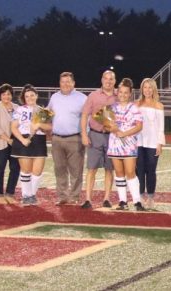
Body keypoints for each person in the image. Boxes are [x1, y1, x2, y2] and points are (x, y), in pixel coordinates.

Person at [49, 72, 88, 208]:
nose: (65, 84)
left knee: (76, 170)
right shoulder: (54, 97)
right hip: (57, 138)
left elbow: (87, 118)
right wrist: (36, 124)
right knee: (59, 169)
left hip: (75, 138)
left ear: (73, 83)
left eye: (68, 81)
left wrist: (86, 135)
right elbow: (47, 114)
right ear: (59, 83)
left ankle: (74, 196)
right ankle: (62, 196)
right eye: (63, 82)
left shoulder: (82, 98)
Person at [10, 84, 52, 206]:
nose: (30, 98)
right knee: (26, 170)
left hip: (39, 140)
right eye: (27, 96)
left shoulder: (43, 111)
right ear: (24, 97)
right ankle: (26, 196)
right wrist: (22, 140)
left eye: (32, 95)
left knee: (37, 171)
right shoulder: (19, 110)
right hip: (23, 139)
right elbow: (13, 127)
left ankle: (32, 194)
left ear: (36, 96)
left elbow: (49, 127)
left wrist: (39, 125)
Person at [107, 78, 145, 211]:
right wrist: (111, 128)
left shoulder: (134, 108)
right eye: (120, 92)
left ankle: (137, 201)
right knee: (119, 172)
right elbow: (107, 125)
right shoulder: (112, 108)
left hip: (129, 144)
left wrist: (125, 133)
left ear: (130, 94)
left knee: (130, 172)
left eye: (126, 92)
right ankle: (122, 201)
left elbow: (139, 126)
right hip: (114, 144)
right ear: (117, 92)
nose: (122, 95)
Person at [82, 70, 117, 208]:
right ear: (102, 80)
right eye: (106, 78)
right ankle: (88, 199)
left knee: (109, 168)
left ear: (114, 81)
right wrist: (84, 134)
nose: (108, 81)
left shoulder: (118, 96)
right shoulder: (93, 95)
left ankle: (107, 198)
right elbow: (85, 115)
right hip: (95, 135)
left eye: (111, 79)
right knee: (92, 168)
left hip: (112, 137)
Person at [136, 78, 164, 210]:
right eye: (145, 87)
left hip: (153, 143)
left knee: (151, 171)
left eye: (149, 87)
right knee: (139, 170)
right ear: (142, 89)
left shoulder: (159, 105)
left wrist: (160, 144)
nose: (147, 90)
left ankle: (151, 197)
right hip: (138, 142)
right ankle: (140, 197)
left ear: (154, 89)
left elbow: (161, 127)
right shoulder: (136, 104)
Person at [0, 84, 19, 204]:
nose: (6, 96)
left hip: (15, 143)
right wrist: (8, 139)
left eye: (8, 94)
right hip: (0, 142)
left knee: (15, 168)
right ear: (0, 96)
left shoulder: (17, 108)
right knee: (0, 167)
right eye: (3, 94)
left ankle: (10, 193)